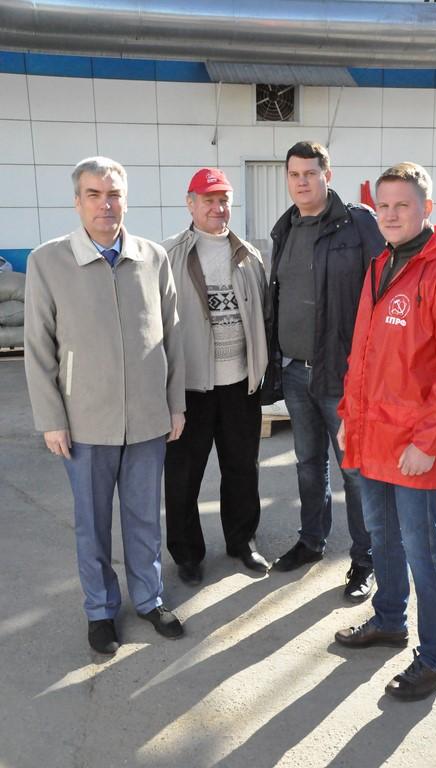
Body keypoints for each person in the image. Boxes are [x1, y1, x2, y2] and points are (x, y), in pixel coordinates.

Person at [334, 162, 436, 701]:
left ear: (427, 208)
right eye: (384, 205)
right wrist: (349, 419)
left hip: (416, 445)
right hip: (373, 434)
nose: (392, 214)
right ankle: (389, 620)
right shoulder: (382, 262)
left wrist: (427, 442)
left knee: (423, 550)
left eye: (403, 205)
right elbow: (362, 353)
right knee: (382, 537)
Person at [24, 157, 186, 655]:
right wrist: (52, 419)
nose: (105, 204)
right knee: (92, 524)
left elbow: (173, 335)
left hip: (146, 419)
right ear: (77, 202)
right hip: (84, 423)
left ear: (126, 200)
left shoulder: (152, 257)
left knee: (144, 518)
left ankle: (149, 598)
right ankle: (99, 610)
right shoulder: (48, 261)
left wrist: (175, 405)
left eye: (113, 194)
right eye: (93, 194)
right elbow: (38, 348)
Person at [262, 141, 385, 602]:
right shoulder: (285, 228)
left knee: (354, 470)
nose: (302, 182)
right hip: (295, 371)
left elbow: (385, 286)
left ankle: (365, 559)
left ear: (326, 175)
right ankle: (311, 541)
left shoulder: (358, 223)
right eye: (294, 174)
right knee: (308, 464)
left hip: (342, 373)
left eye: (310, 173)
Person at [162, 168, 270, 586]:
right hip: (191, 387)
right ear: (190, 204)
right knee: (184, 475)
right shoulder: (169, 255)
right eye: (208, 200)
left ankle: (242, 542)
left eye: (224, 199)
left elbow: (263, 316)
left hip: (239, 384)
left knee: (242, 468)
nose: (217, 207)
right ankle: (187, 554)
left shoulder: (248, 255)